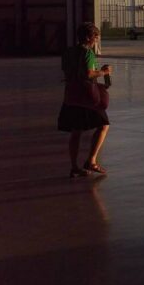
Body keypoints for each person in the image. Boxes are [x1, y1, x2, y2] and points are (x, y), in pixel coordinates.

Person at [57, 22, 113, 177]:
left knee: (76, 131)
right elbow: (88, 74)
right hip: (86, 97)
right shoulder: (87, 53)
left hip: (71, 96)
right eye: (95, 38)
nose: (95, 41)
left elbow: (67, 71)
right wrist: (103, 72)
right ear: (89, 38)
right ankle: (92, 160)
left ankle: (74, 166)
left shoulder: (67, 52)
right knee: (103, 125)